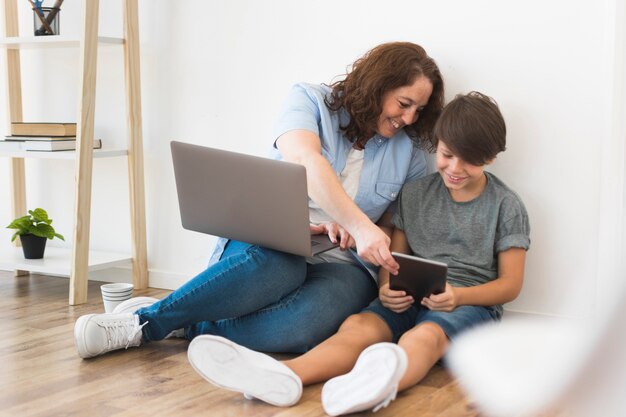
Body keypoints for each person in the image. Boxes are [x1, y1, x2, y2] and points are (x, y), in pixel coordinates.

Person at [73, 41, 445, 358]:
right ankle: (145, 323)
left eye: (419, 111)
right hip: (276, 238)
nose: (409, 118)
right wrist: (358, 225)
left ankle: (188, 323)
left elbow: (391, 227)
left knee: (307, 326)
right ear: (379, 86)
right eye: (403, 103)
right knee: (281, 267)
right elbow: (304, 159)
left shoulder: (409, 153)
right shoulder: (309, 100)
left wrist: (374, 259)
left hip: (342, 260)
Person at [185, 91, 531, 415]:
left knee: (424, 337)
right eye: (446, 155)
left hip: (466, 304)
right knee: (357, 327)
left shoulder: (505, 205)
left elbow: (510, 285)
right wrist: (385, 287)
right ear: (437, 147)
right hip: (407, 295)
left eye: (469, 162)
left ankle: (377, 386)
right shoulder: (415, 194)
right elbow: (394, 256)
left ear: (491, 158)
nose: (455, 169)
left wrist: (458, 297)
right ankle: (285, 374)